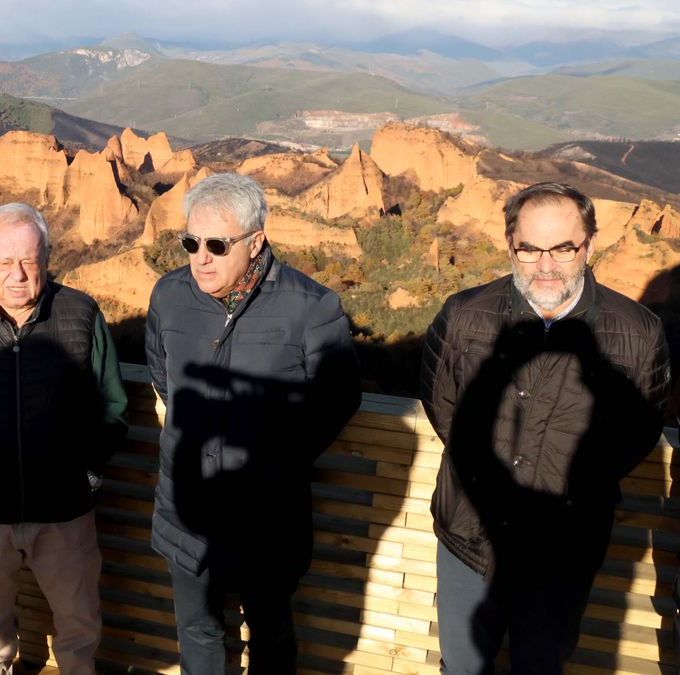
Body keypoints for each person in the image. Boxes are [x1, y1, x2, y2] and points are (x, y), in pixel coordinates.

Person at [421, 182, 671, 673]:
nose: (546, 265)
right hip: (469, 539)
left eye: (563, 248)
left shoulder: (639, 334)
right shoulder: (463, 315)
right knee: (462, 668)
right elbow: (442, 406)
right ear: (510, 245)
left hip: (563, 552)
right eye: (530, 249)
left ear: (589, 245)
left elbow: (637, 435)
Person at [144, 173, 360, 674]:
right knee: (197, 630)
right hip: (186, 509)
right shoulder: (169, 296)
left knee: (271, 633)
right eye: (191, 242)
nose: (201, 257)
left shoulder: (311, 307)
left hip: (269, 518)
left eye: (217, 245)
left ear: (255, 241)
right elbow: (163, 375)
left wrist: (276, 458)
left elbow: (338, 398)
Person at [0, 202, 128, 675]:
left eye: (29, 261)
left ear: (47, 257)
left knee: (78, 626)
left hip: (65, 512)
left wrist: (89, 475)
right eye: (4, 262)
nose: (17, 275)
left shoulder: (80, 313)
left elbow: (112, 405)